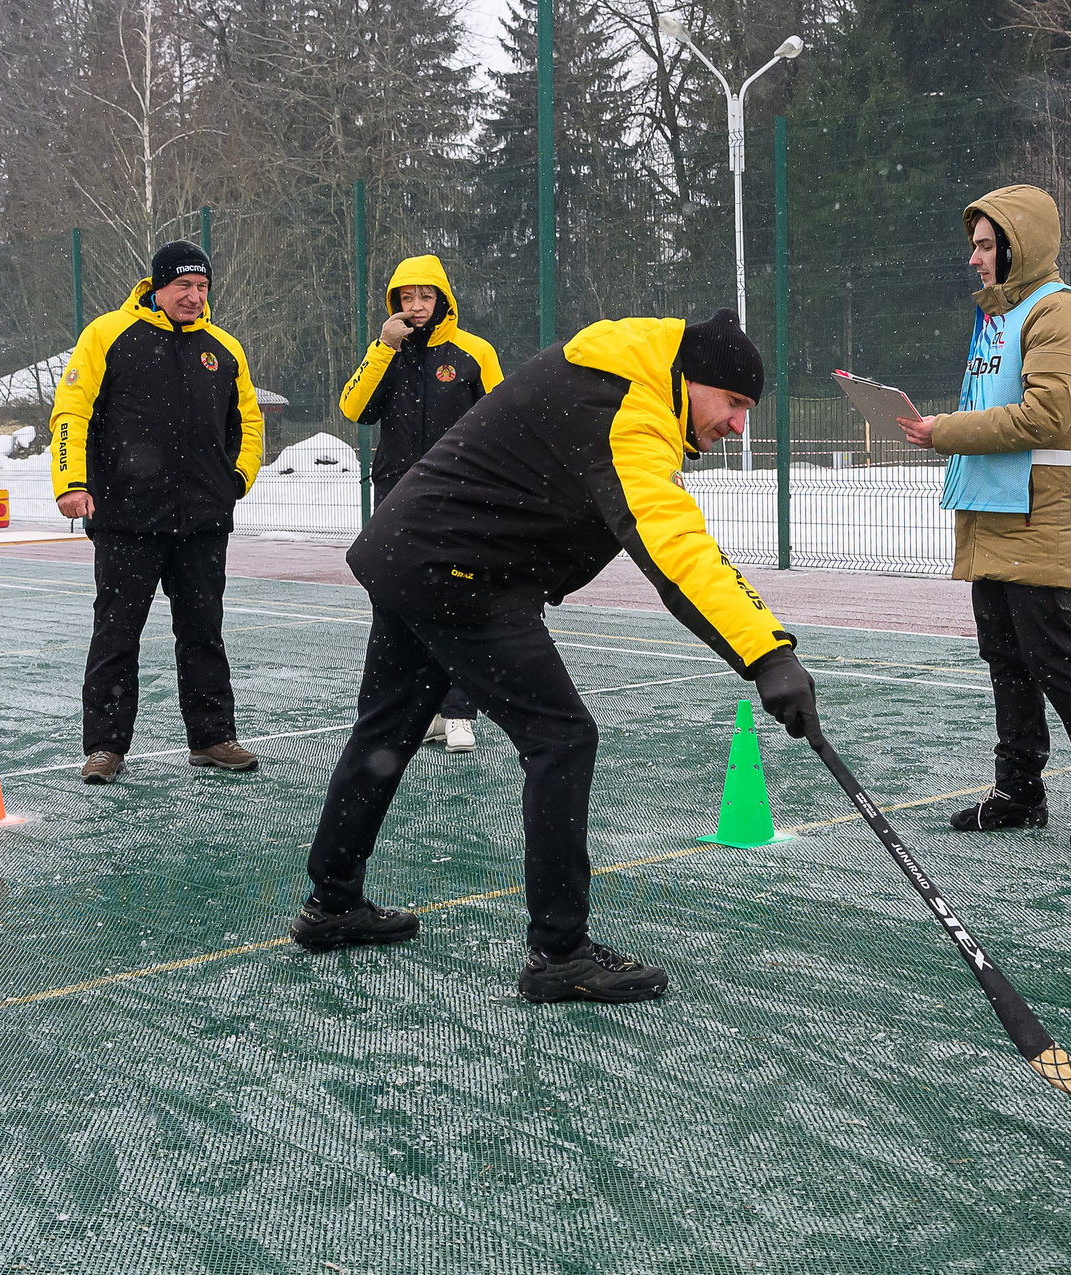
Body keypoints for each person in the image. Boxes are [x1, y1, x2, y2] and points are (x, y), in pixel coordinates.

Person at [293, 309, 820, 1004]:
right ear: (693, 381)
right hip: (461, 573)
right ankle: (560, 952)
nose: (737, 426)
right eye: (734, 404)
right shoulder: (628, 406)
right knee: (561, 739)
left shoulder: (618, 369)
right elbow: (676, 548)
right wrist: (767, 653)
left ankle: (330, 903)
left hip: (413, 551)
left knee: (386, 729)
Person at [900, 185, 1071, 850]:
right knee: (1007, 657)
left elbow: (1043, 416)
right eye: (973, 245)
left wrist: (943, 431)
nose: (974, 258)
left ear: (1016, 244)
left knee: (1052, 656)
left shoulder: (1059, 315)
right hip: (992, 508)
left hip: (1038, 509)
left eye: (984, 245)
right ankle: (1019, 791)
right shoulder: (1000, 317)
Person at [50, 239, 266, 783]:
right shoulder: (107, 334)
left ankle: (214, 738)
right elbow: (71, 411)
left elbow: (250, 424)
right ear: (157, 288)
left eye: (201, 288)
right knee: (117, 634)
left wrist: (235, 481)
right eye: (183, 286)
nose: (193, 296)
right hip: (127, 519)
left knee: (203, 632)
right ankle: (105, 748)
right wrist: (71, 482)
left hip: (202, 521)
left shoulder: (224, 348)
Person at [337, 254, 505, 756]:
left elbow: (499, 420)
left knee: (454, 602)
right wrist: (384, 348)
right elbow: (354, 408)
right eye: (406, 298)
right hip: (395, 497)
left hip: (459, 498)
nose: (416, 306)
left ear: (443, 299)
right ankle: (409, 714)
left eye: (425, 296)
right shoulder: (387, 350)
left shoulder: (474, 352)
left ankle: (457, 713)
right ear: (395, 303)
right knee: (391, 604)